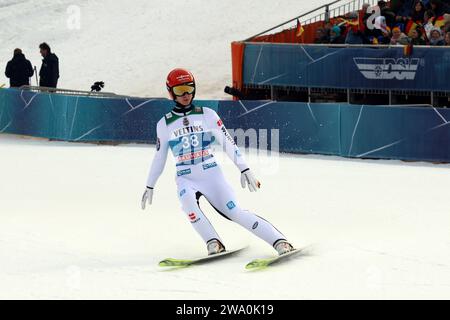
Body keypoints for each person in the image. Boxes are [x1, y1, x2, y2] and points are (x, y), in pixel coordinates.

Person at [141, 68, 295, 256]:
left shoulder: (207, 114)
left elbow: (227, 142)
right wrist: (150, 185)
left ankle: (280, 242)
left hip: (211, 174)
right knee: (188, 204)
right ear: (171, 92)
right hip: (185, 178)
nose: (186, 95)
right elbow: (159, 157)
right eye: (180, 90)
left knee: (234, 212)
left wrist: (244, 168)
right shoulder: (164, 124)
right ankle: (213, 243)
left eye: (189, 89)